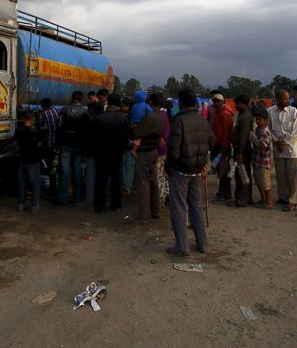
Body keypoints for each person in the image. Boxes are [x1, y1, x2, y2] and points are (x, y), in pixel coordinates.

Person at [165, 88, 215, 257]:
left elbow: (173, 150)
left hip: (181, 169)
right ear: (196, 103)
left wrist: (168, 168)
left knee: (179, 207)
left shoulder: (178, 121)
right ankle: (202, 244)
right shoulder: (203, 120)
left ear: (180, 102)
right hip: (197, 169)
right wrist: (202, 162)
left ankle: (182, 247)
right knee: (196, 207)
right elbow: (211, 141)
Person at [90, 94, 130, 213]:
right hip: (117, 153)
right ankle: (116, 203)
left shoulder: (100, 118)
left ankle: (99, 205)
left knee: (101, 179)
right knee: (116, 179)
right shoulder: (123, 118)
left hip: (102, 153)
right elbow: (125, 137)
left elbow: (95, 138)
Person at [130, 95, 166, 224]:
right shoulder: (161, 116)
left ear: (150, 102)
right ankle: (156, 212)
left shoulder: (149, 117)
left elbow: (137, 133)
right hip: (154, 151)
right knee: (153, 182)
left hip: (144, 152)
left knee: (144, 184)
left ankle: (144, 216)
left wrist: (133, 126)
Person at [267, 89, 297, 211]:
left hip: (292, 149)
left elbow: (296, 131)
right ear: (277, 99)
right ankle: (284, 198)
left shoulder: (293, 111)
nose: (288, 100)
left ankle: (294, 201)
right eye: (285, 98)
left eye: (288, 98)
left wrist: (285, 143)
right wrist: (277, 141)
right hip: (278, 148)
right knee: (281, 176)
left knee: (294, 176)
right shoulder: (270, 112)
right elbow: (269, 130)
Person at [58, 91, 90, 205]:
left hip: (65, 143)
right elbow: (87, 131)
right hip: (78, 144)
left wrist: (58, 143)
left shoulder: (64, 110)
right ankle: (77, 197)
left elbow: (59, 127)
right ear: (81, 99)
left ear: (72, 98)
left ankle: (63, 198)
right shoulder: (84, 112)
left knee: (65, 171)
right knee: (77, 170)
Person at [15, 111, 42, 213]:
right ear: (32, 120)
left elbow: (15, 144)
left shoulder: (18, 130)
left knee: (21, 182)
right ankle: (35, 206)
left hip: (22, 158)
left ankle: (21, 205)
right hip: (33, 160)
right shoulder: (34, 131)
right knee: (35, 182)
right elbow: (39, 144)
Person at [210, 94, 235, 204]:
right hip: (219, 145)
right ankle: (223, 192)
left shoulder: (224, 114)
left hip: (222, 146)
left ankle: (225, 193)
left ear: (223, 102)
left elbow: (227, 132)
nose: (216, 103)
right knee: (221, 170)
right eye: (214, 101)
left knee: (223, 171)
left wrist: (224, 147)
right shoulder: (219, 113)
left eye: (218, 101)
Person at [230, 95, 254, 207]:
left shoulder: (245, 117)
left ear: (243, 104)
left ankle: (242, 200)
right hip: (241, 150)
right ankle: (246, 198)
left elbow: (243, 137)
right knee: (243, 174)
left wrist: (239, 152)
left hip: (243, 151)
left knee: (242, 175)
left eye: (237, 104)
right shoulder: (242, 115)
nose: (236, 106)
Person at [248, 107, 273, 209]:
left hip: (263, 162)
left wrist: (253, 138)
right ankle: (263, 199)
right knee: (259, 181)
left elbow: (262, 146)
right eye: (257, 119)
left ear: (266, 120)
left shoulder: (265, 132)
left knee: (265, 183)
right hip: (257, 161)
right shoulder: (258, 129)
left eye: (260, 119)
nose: (258, 121)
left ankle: (268, 202)